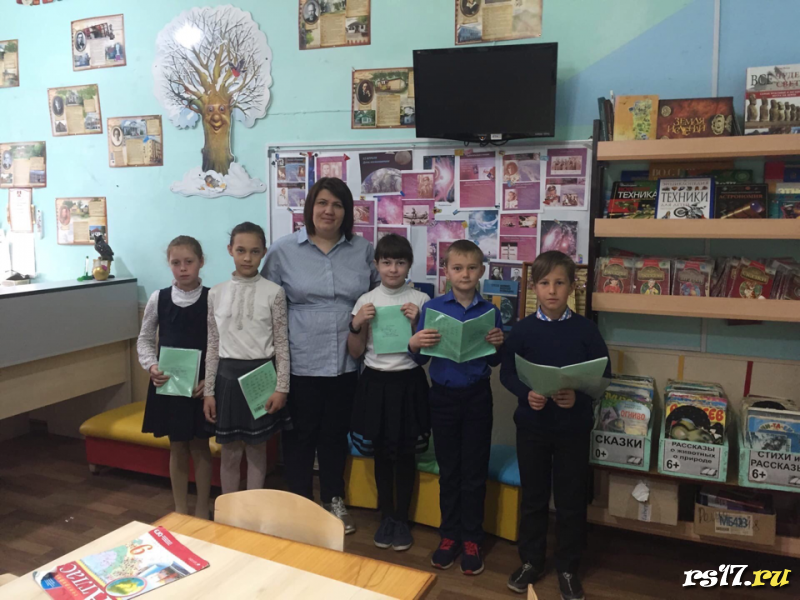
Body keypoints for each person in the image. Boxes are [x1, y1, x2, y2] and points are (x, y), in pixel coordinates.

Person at [263, 177, 379, 534]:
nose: (329, 211)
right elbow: (265, 303)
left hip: (347, 361)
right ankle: (299, 504)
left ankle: (333, 499)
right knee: (299, 437)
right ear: (310, 208)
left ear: (347, 212)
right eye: (322, 203)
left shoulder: (363, 250)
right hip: (300, 360)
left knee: (334, 435)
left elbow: (379, 296)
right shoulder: (283, 250)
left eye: (338, 205)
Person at [500, 251, 611, 599]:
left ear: (572, 286)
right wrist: (526, 394)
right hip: (532, 427)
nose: (552, 290)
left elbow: (603, 377)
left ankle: (567, 567)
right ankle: (531, 561)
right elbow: (507, 374)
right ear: (534, 287)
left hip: (572, 429)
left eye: (560, 282)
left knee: (570, 499)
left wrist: (578, 396)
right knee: (533, 497)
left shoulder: (586, 330)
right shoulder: (523, 329)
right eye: (545, 283)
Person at [409, 239, 504, 576]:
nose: (465, 274)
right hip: (443, 398)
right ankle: (449, 536)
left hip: (477, 397)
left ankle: (472, 538)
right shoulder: (433, 308)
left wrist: (499, 345)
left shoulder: (490, 311)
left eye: (472, 268)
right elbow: (419, 359)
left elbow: (494, 362)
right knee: (449, 471)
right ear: (446, 271)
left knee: (474, 472)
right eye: (458, 268)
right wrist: (414, 343)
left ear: (482, 271)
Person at [348, 234, 431, 552]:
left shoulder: (421, 300)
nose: (393, 269)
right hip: (376, 382)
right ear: (376, 264)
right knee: (382, 453)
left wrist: (416, 323)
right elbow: (355, 352)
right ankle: (386, 517)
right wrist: (357, 324)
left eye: (400, 262)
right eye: (386, 262)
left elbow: (428, 352)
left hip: (408, 382)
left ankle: (401, 519)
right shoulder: (365, 300)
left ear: (409, 265)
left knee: (406, 453)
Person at [204, 222, 291, 495]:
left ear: (264, 252)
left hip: (261, 377)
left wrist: (282, 387)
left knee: (256, 450)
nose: (247, 258)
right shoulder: (215, 293)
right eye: (240, 250)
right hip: (227, 379)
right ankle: (229, 510)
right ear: (230, 249)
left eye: (254, 251)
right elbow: (213, 345)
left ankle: (253, 510)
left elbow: (281, 344)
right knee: (229, 452)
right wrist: (208, 391)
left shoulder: (274, 292)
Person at [137, 236, 213, 518]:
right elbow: (145, 339)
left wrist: (210, 381)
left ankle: (202, 509)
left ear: (201, 262)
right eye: (176, 263)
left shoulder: (212, 298)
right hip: (168, 385)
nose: (183, 268)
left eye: (189, 262)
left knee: (200, 447)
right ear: (169, 264)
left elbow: (220, 344)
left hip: (199, 387)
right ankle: (180, 510)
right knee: (177, 446)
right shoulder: (159, 298)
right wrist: (152, 366)